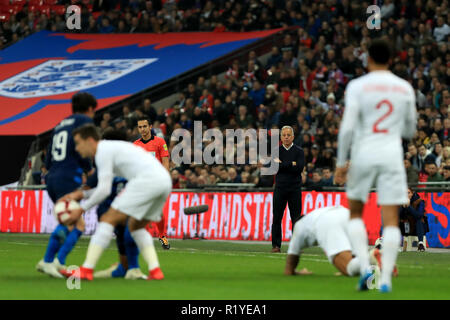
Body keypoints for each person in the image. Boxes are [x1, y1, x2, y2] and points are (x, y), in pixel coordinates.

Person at [335, 39, 417, 293]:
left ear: (368, 59)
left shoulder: (357, 86)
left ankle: (366, 269)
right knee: (391, 220)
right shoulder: (404, 88)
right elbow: (410, 129)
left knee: (356, 213)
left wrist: (340, 163)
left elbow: (347, 128)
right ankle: (385, 280)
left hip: (363, 153)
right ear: (391, 59)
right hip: (391, 154)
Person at [59, 124, 172, 280]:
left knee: (108, 218)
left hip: (147, 181)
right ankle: (155, 271)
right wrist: (82, 195)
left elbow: (104, 190)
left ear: (90, 140)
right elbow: (107, 187)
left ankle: (86, 269)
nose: (77, 148)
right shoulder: (113, 149)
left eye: (78, 143)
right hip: (164, 182)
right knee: (136, 227)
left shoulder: (103, 151)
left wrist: (82, 209)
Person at [36, 92, 97, 278]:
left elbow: (48, 157)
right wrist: (89, 169)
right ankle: (50, 261)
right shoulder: (83, 121)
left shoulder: (60, 125)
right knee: (74, 222)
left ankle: (55, 262)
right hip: (69, 177)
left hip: (52, 176)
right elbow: (83, 148)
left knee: (75, 222)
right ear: (90, 109)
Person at [285, 205, 396, 277]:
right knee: (356, 265)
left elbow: (288, 269)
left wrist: (298, 273)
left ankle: (372, 255)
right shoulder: (313, 216)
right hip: (347, 214)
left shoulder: (299, 227)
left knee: (349, 270)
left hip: (328, 222)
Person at [133, 116, 171, 249]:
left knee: (158, 212)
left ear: (150, 127)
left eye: (144, 126)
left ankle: (162, 236)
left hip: (156, 182)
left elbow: (166, 162)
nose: (142, 129)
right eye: (140, 127)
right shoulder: (135, 145)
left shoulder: (160, 142)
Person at [271, 126, 305, 253]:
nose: (286, 137)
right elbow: (274, 168)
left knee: (296, 218)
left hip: (295, 188)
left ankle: (295, 246)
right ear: (280, 137)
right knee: (277, 218)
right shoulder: (276, 150)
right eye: (284, 135)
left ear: (293, 137)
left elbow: (299, 168)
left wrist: (282, 164)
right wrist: (291, 163)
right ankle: (276, 245)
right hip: (280, 188)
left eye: (288, 135)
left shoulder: (299, 151)